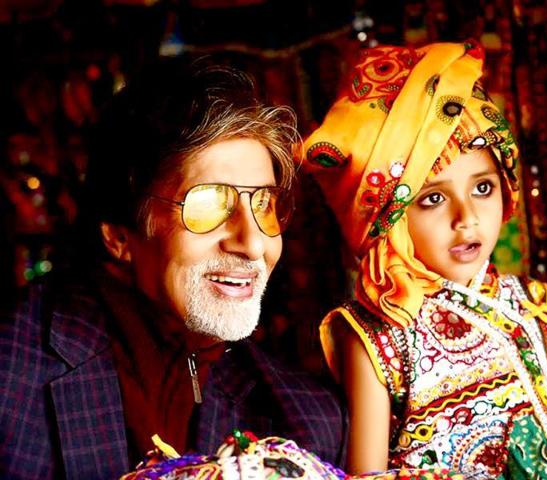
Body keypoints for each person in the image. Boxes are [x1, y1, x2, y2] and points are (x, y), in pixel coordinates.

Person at [0, 56, 346, 479]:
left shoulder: (308, 420)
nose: (253, 243)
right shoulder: (12, 382)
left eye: (264, 204)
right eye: (209, 204)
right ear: (120, 236)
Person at [304, 42, 547, 479]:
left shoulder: (530, 304)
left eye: (482, 188)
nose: (466, 218)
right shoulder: (376, 334)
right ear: (390, 218)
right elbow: (368, 476)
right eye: (433, 198)